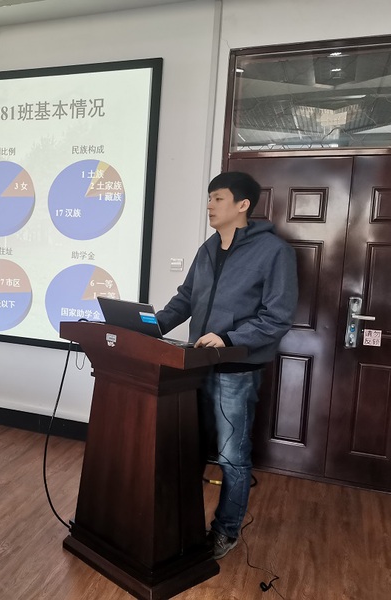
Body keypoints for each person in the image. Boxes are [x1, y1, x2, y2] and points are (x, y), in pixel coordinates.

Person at [155, 171, 298, 560]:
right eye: (209, 198)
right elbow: (185, 299)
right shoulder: (207, 249)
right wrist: (150, 326)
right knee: (189, 447)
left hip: (237, 371)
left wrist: (230, 338)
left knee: (232, 456)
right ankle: (180, 521)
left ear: (242, 205)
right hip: (195, 367)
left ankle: (226, 530)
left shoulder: (274, 252)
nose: (210, 205)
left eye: (218, 198)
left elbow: (278, 316)